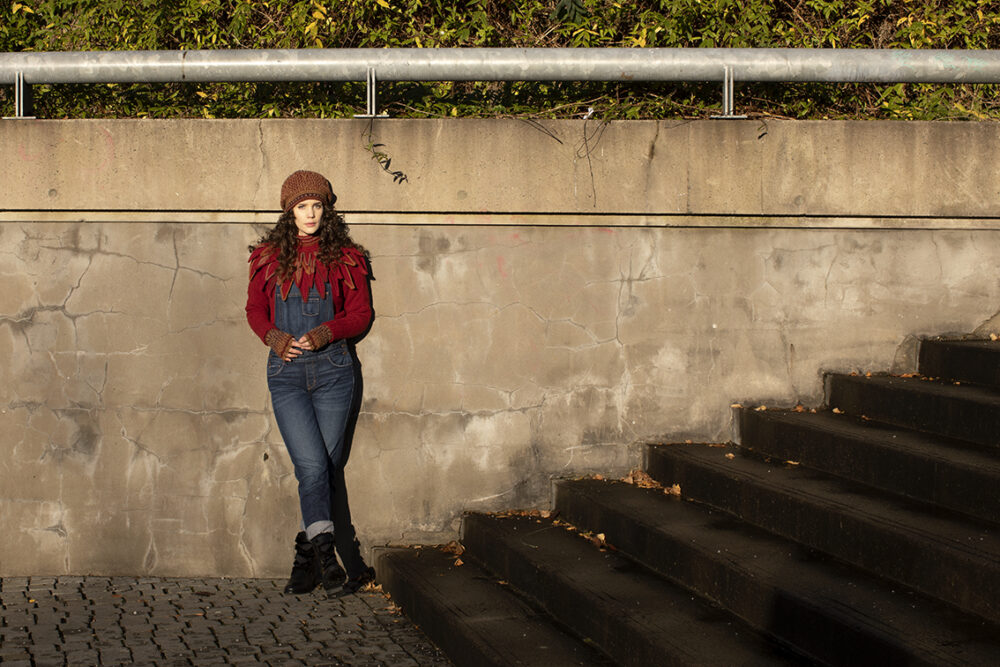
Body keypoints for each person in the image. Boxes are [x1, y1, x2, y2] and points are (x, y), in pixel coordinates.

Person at [245, 169, 375, 595]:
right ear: (289, 212)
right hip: (287, 376)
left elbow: (360, 315)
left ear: (326, 209)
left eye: (317, 205)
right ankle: (330, 558)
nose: (310, 214)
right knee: (313, 466)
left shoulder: (347, 257)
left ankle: (305, 560)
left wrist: (325, 332)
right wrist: (274, 337)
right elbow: (254, 310)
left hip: (335, 372)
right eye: (302, 207)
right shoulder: (266, 258)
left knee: (325, 468)